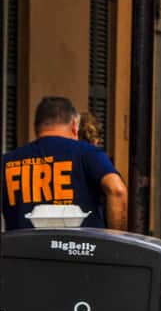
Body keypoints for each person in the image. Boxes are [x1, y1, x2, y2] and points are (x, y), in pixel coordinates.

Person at [2, 96, 126, 229]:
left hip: (22, 247)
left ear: (36, 127)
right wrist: (115, 242)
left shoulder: (7, 162)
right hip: (82, 247)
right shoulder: (87, 154)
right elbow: (117, 190)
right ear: (74, 125)